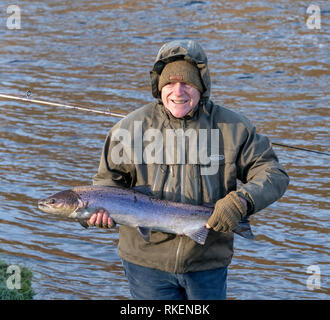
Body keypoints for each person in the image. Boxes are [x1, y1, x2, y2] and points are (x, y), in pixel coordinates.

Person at [89, 40, 289, 300]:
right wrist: (94, 215)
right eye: (169, 83)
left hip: (207, 263)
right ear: (158, 86)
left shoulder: (234, 128)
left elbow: (273, 173)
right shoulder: (127, 129)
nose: (178, 91)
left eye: (187, 83)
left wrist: (242, 201)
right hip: (146, 264)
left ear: (201, 86)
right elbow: (106, 185)